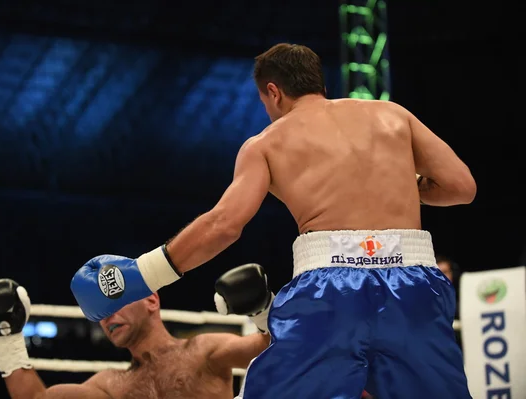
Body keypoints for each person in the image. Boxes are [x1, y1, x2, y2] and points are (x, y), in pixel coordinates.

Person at [70, 43, 477, 398]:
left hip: (333, 287)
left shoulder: (268, 142)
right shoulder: (393, 115)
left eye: (265, 104)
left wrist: (143, 275)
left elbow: (224, 224)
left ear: (273, 91)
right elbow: (461, 187)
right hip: (415, 282)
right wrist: (406, 186)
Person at [0, 264, 272, 399]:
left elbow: (278, 348)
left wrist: (264, 312)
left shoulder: (204, 351)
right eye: (100, 313)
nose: (107, 318)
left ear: (151, 300)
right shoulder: (110, 386)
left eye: (113, 304)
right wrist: (7, 336)